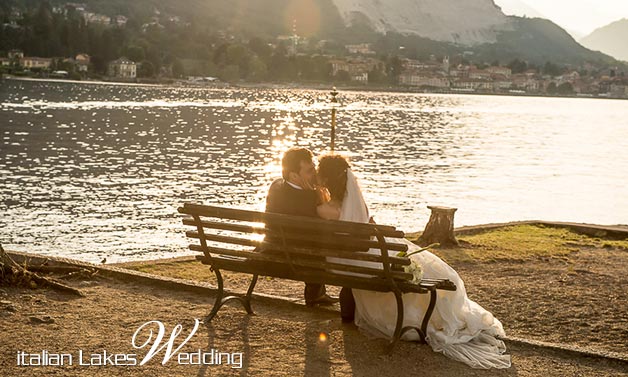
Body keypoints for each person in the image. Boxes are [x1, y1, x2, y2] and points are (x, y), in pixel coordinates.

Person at [316, 154, 511, 369]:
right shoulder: (355, 204)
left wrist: (315, 191)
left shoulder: (325, 209)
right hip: (365, 257)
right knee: (421, 266)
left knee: (398, 263)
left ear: (326, 180)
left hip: (346, 263)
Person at [265, 147, 338, 306]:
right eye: (310, 171)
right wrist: (317, 194)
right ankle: (317, 295)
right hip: (299, 258)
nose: (315, 174)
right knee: (323, 244)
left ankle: (317, 293)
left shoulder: (276, 185)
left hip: (273, 249)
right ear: (293, 175)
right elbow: (325, 231)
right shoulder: (311, 198)